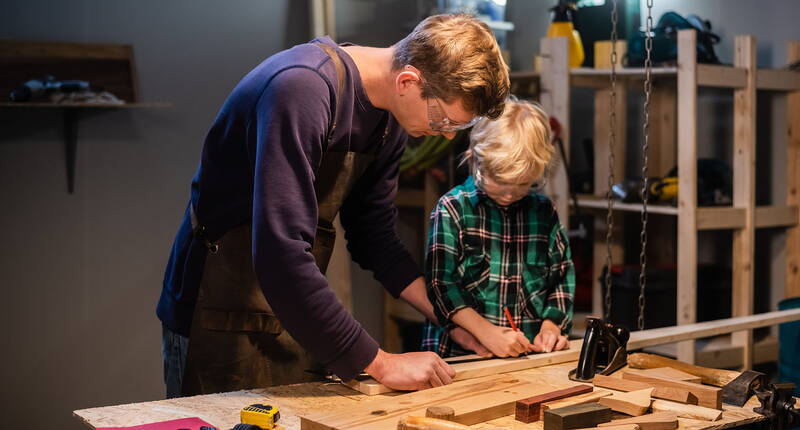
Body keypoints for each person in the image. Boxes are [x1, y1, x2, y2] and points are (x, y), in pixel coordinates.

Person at [156, 13, 509, 397]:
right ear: (408, 81)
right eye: (444, 119)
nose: (442, 134)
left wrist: (451, 320)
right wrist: (381, 362)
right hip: (218, 309)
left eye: (455, 129)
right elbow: (280, 253)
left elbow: (374, 236)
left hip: (290, 311)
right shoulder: (302, 88)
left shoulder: (391, 119)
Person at [422, 99, 574, 359]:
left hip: (527, 358)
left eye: (523, 184)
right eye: (501, 181)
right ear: (476, 159)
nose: (510, 193)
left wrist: (551, 326)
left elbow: (561, 278)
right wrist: (485, 332)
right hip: (459, 358)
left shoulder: (543, 212)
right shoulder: (453, 209)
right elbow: (441, 286)